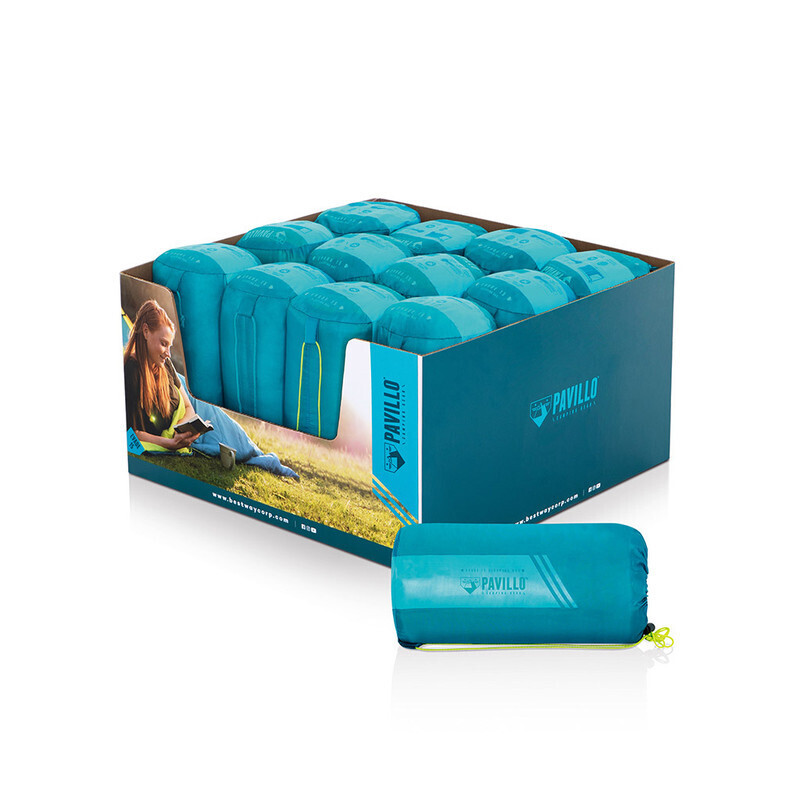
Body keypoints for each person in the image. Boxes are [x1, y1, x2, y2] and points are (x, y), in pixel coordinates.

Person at [123, 299, 208, 451]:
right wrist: (169, 443)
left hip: (193, 407)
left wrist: (180, 432)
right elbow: (132, 432)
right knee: (217, 446)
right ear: (146, 331)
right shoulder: (131, 371)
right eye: (163, 344)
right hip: (179, 421)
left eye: (169, 346)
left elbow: (188, 406)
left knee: (233, 438)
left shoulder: (165, 363)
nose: (168, 354)